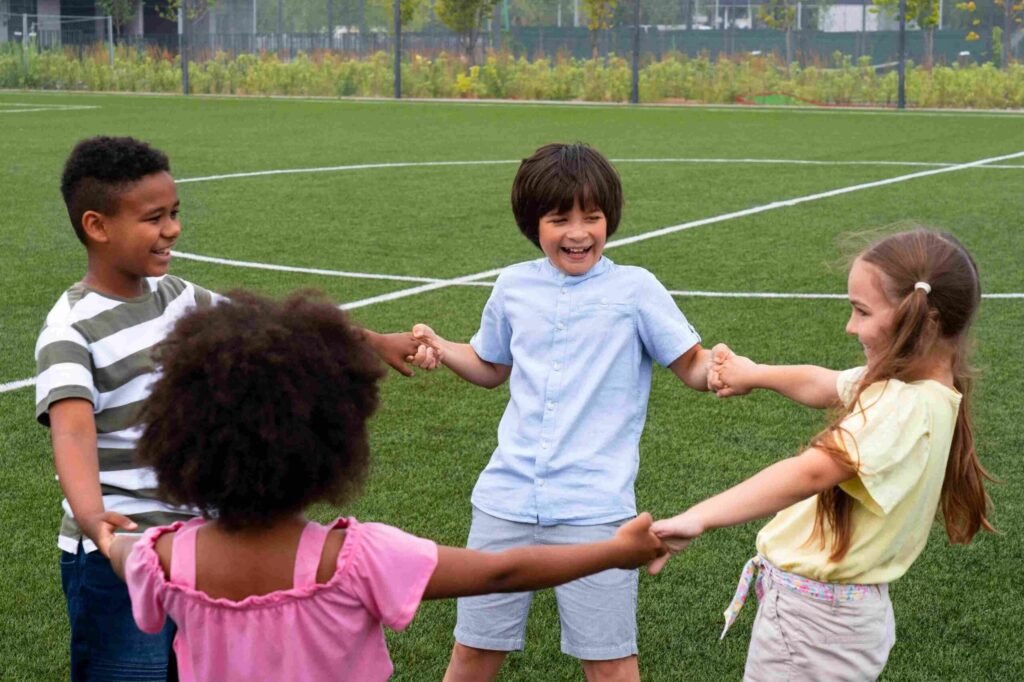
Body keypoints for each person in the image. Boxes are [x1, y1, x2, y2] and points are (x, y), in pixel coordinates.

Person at [101, 290, 667, 682]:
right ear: (332, 442)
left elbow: (121, 552)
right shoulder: (356, 559)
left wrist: (104, 533)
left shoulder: (163, 558)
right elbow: (502, 572)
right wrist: (614, 551)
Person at [36, 136, 419, 680]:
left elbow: (273, 331)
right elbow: (72, 434)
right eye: (154, 218)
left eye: (175, 213)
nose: (173, 229)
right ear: (97, 226)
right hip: (116, 555)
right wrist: (93, 517)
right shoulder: (71, 330)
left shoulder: (178, 297)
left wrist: (373, 341)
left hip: (194, 551)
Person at [409, 142, 713, 681]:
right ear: (534, 224)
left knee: (610, 662)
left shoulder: (636, 289)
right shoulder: (513, 285)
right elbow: (490, 364)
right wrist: (441, 345)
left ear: (609, 218)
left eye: (591, 217)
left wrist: (724, 370)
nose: (578, 233)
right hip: (505, 500)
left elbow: (691, 364)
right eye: (559, 219)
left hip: (596, 510)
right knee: (473, 650)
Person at [649, 229, 995, 681]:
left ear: (922, 321)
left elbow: (811, 472)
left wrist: (699, 517)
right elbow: (826, 383)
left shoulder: (904, 407)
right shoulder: (915, 390)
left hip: (815, 624)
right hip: (833, 618)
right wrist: (754, 373)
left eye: (862, 311)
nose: (850, 326)